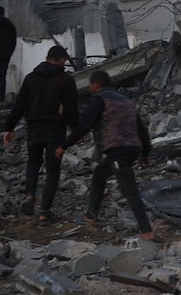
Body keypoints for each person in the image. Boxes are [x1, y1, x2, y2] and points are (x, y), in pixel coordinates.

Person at [56, 71, 154, 240]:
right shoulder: (126, 101)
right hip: (132, 148)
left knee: (129, 189)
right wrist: (145, 153)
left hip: (117, 149)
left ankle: (146, 230)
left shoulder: (99, 99)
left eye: (90, 85)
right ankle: (91, 215)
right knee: (99, 175)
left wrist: (63, 145)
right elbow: (142, 129)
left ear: (96, 85)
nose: (89, 88)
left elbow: (84, 125)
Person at [2, 45, 78, 223]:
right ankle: (45, 211)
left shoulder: (30, 78)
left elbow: (19, 105)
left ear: (46, 57)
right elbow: (71, 109)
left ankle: (29, 196)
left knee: (33, 162)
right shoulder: (65, 80)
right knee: (52, 170)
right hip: (55, 130)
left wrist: (9, 128)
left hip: (33, 129)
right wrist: (76, 129)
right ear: (62, 60)